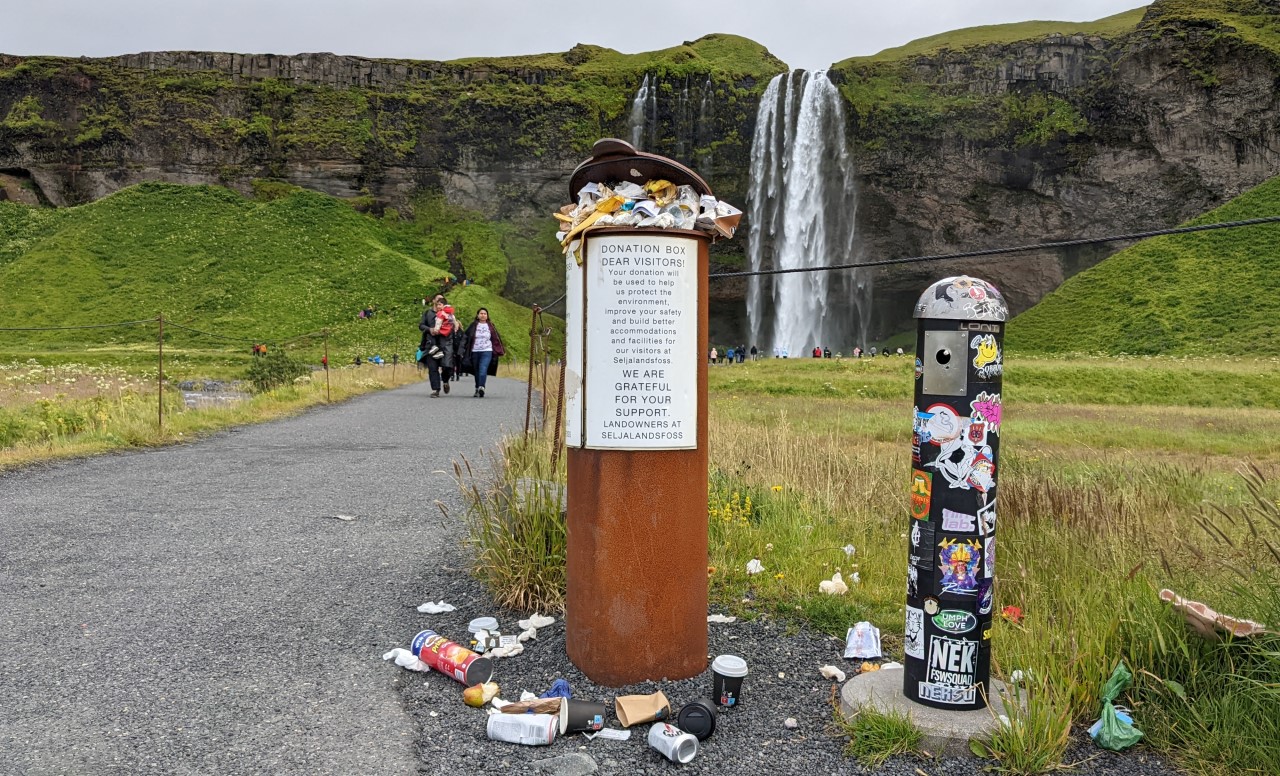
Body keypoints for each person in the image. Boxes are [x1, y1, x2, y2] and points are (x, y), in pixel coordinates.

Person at [461, 308, 505, 398]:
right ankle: (477, 388)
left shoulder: (491, 326)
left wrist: (499, 350)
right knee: (476, 370)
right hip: (475, 351)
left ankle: (482, 387)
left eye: (485, 313)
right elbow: (465, 336)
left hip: (487, 350)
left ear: (487, 316)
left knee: (483, 368)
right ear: (477, 315)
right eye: (481, 313)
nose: (483, 315)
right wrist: (461, 349)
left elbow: (496, 339)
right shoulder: (473, 325)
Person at [418, 297, 456, 397]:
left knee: (447, 366)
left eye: (441, 300)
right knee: (432, 368)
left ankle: (445, 380)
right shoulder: (428, 313)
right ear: (434, 301)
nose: (439, 302)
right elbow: (421, 325)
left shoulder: (448, 313)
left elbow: (454, 326)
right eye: (437, 299)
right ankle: (436, 389)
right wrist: (430, 329)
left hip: (445, 344)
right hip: (431, 344)